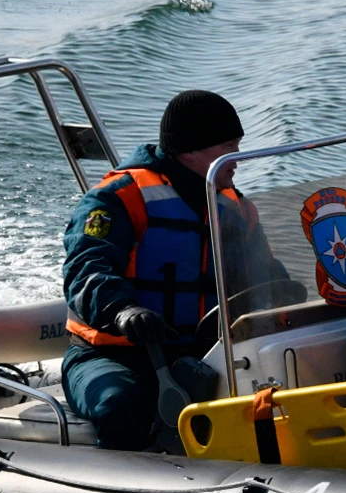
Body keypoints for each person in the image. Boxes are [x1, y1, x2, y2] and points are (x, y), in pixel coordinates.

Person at [61, 90, 294, 449]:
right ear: (189, 150)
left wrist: (283, 289)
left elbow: (264, 271)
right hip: (113, 354)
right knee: (122, 404)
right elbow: (86, 267)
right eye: (228, 147)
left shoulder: (237, 208)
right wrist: (122, 310)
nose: (238, 158)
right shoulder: (118, 198)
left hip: (207, 355)